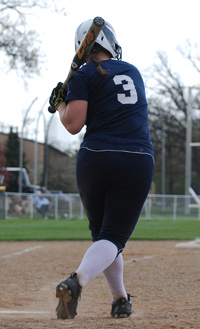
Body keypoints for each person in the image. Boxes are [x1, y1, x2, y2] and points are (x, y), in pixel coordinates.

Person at [49, 18, 154, 320]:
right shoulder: (132, 71)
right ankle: (76, 282)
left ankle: (120, 300)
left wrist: (59, 105)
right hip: (135, 157)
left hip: (95, 158)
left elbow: (72, 124)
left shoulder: (82, 75)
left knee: (105, 239)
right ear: (109, 41)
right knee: (112, 238)